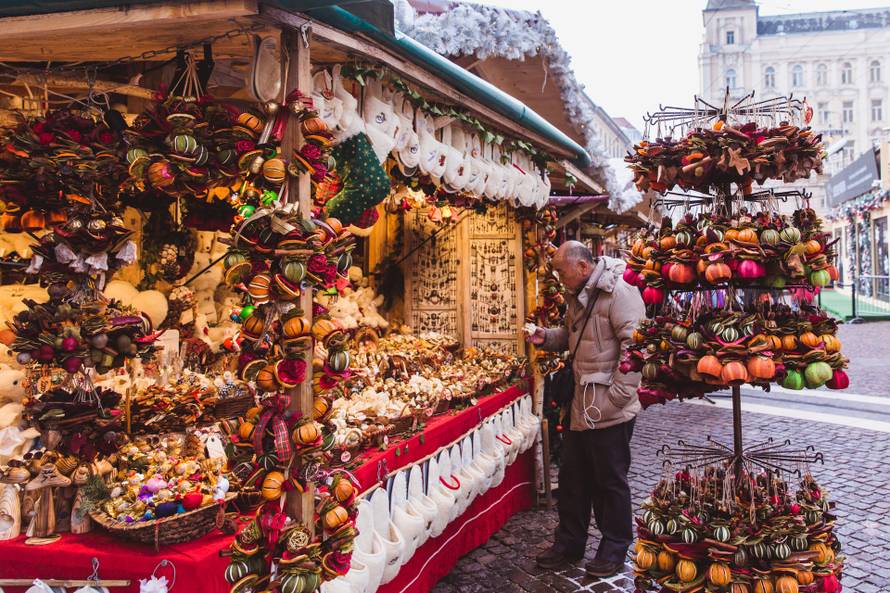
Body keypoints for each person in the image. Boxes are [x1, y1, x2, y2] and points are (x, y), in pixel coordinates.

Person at [527, 241, 645, 577]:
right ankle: (569, 542)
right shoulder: (579, 293)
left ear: (581, 266)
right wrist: (545, 337)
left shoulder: (619, 292)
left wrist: (619, 396)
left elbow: (635, 345)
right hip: (583, 403)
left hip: (608, 403)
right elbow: (573, 335)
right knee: (574, 477)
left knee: (609, 480)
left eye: (561, 271)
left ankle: (614, 547)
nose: (558, 277)